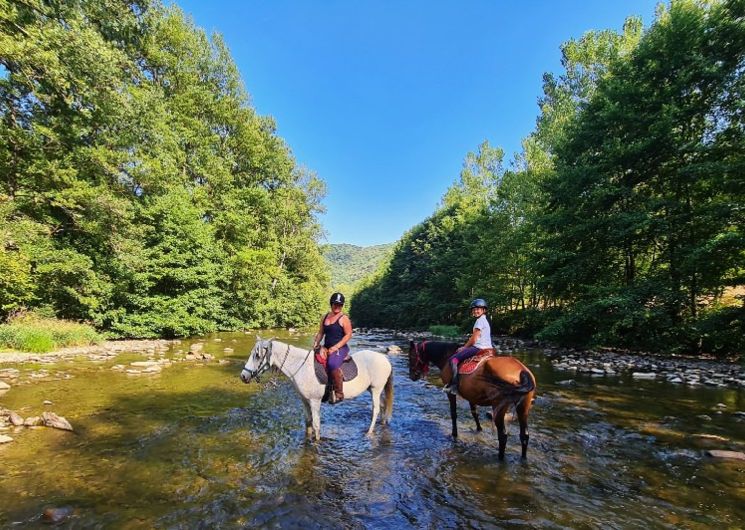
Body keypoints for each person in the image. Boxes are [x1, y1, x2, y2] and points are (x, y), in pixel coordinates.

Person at [444, 298, 492, 395]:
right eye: (474, 309)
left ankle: (454, 385)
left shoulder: (479, 321)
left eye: (478, 309)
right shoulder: (484, 320)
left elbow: (474, 339)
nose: (475, 311)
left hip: (479, 348)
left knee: (453, 360)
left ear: (484, 310)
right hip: (488, 348)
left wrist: (464, 347)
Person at [312, 292, 353, 403]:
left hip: (341, 348)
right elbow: (321, 333)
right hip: (326, 347)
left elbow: (349, 334)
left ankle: (339, 393)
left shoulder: (344, 318)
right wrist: (316, 342)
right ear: (331, 304)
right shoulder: (324, 317)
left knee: (332, 364)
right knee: (313, 359)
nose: (337, 307)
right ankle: (322, 390)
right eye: (335, 304)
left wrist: (336, 347)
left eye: (340, 305)